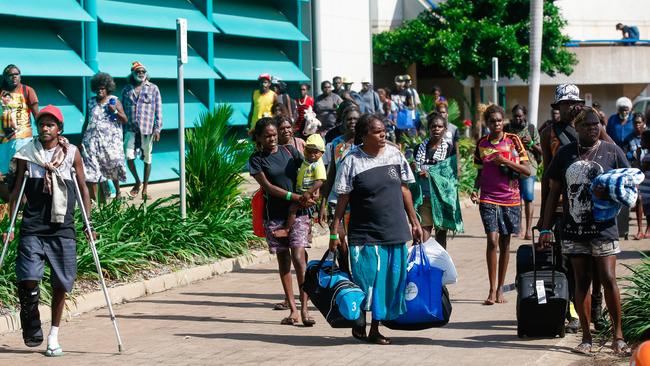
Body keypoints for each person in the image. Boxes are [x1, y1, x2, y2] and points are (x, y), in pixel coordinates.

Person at [539, 106, 631, 356]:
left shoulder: (611, 151)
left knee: (608, 278)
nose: (593, 128)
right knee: (582, 281)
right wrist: (545, 227)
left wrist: (610, 192)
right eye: (587, 125)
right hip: (574, 228)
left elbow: (631, 181)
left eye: (596, 124)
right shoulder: (566, 154)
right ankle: (587, 338)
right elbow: (553, 192)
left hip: (604, 228)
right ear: (576, 128)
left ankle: (618, 337)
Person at [5, 105, 94, 357]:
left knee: (61, 283)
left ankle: (53, 335)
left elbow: (83, 189)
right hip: (33, 226)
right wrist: (9, 225)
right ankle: (31, 316)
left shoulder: (72, 154)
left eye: (50, 124)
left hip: (62, 227)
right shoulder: (26, 154)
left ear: (59, 129)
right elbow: (16, 192)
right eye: (42, 124)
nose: (45, 128)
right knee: (28, 276)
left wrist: (88, 222)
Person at [330, 113, 423, 345]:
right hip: (364, 233)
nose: (383, 135)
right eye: (377, 131)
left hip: (394, 229)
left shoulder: (394, 154)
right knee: (367, 279)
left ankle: (375, 327)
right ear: (364, 135)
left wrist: (415, 222)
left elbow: (404, 190)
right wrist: (335, 228)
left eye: (384, 130)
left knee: (389, 280)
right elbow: (342, 197)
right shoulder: (351, 160)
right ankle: (362, 318)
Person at [248, 117, 314, 326]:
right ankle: (293, 310)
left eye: (274, 135)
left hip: (299, 213)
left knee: (298, 256)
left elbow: (305, 173)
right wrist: (294, 197)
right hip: (275, 216)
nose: (272, 139)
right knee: (284, 260)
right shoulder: (256, 159)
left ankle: (305, 309)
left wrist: (311, 193)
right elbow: (268, 188)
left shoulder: (289, 151)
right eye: (267, 136)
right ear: (258, 138)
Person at [471, 104, 531, 305]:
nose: (496, 124)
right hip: (488, 197)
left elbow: (527, 170)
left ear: (503, 121)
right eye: (492, 121)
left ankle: (500, 290)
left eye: (499, 120)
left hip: (511, 198)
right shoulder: (481, 143)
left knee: (505, 243)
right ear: (486, 123)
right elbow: (479, 172)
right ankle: (490, 290)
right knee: (492, 240)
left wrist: (504, 161)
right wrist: (474, 188)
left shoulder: (513, 141)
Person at [414, 112, 459, 247]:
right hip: (424, 198)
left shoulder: (449, 150)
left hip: (441, 199)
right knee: (424, 234)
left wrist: (432, 175)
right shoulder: (419, 149)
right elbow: (415, 169)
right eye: (433, 126)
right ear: (429, 129)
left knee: (441, 236)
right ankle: (427, 265)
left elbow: (451, 175)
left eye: (440, 127)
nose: (436, 129)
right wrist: (416, 171)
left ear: (445, 129)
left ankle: (440, 264)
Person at [81, 72, 128, 201]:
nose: (100, 91)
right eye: (98, 88)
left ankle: (118, 192)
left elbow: (125, 120)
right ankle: (96, 199)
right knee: (92, 169)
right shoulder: (91, 102)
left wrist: (115, 111)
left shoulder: (114, 100)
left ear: (107, 88)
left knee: (113, 164)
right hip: (91, 141)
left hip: (110, 142)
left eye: (102, 88)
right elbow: (87, 121)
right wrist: (81, 139)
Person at [121, 61, 163, 200]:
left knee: (147, 158)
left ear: (146, 74)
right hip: (130, 128)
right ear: (132, 74)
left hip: (147, 129)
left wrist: (158, 128)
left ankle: (145, 188)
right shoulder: (126, 90)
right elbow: (122, 110)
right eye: (138, 72)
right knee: (129, 157)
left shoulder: (153, 88)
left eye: (143, 72)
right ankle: (137, 181)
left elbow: (159, 110)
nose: (141, 74)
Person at [274, 134, 326, 238]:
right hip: (303, 192)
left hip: (307, 194)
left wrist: (309, 193)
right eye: (309, 151)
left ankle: (287, 229)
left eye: (316, 152)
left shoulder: (318, 164)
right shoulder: (308, 161)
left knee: (293, 208)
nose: (312, 154)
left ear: (322, 153)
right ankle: (305, 233)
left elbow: (320, 180)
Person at [0, 64, 39, 201]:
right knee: (5, 175)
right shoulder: (1, 92)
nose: (14, 76)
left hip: (23, 138)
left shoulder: (27, 90)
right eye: (11, 75)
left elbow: (36, 115)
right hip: (4, 141)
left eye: (17, 74)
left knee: (21, 173)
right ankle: (12, 204)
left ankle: (23, 205)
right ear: (5, 77)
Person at [504, 104, 542, 240]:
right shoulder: (507, 129)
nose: (518, 118)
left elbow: (541, 151)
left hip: (529, 167)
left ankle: (528, 230)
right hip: (512, 167)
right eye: (515, 116)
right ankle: (518, 229)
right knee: (516, 199)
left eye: (520, 116)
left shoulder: (531, 129)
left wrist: (531, 143)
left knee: (528, 198)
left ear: (524, 115)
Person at [623, 112, 647, 239]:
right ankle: (639, 230)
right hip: (636, 173)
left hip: (649, 173)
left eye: (639, 122)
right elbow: (624, 154)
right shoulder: (629, 138)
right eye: (635, 123)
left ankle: (648, 229)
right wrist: (632, 155)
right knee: (639, 200)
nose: (637, 125)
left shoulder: (648, 135)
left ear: (644, 123)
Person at [639, 130, 650, 239]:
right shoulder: (647, 155)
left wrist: (638, 157)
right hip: (646, 189)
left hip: (647, 189)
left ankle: (648, 229)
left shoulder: (647, 157)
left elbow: (640, 171)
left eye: (642, 140)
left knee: (648, 211)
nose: (641, 142)